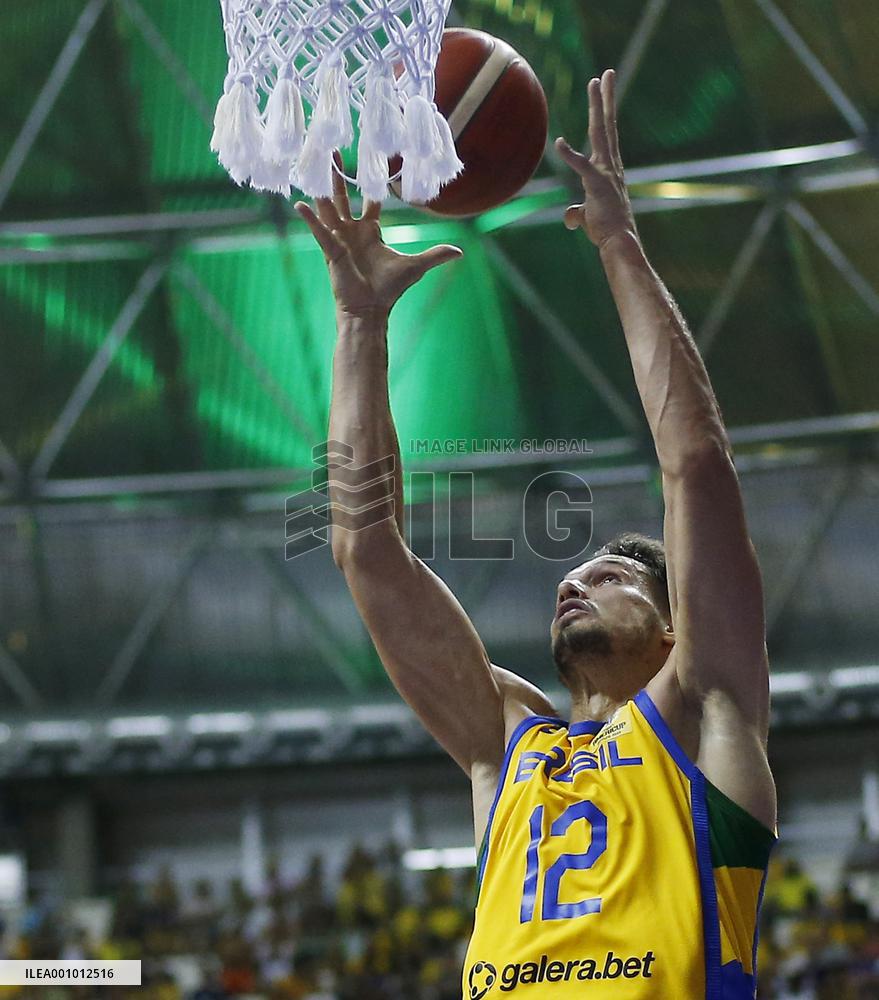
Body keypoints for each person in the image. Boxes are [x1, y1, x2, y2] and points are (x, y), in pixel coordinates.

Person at [296, 68, 777, 999]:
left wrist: (619, 244)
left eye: (607, 575)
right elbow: (364, 545)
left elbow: (697, 465)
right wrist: (359, 322)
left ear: (676, 627)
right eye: (573, 574)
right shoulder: (506, 740)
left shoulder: (705, 706)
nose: (571, 581)